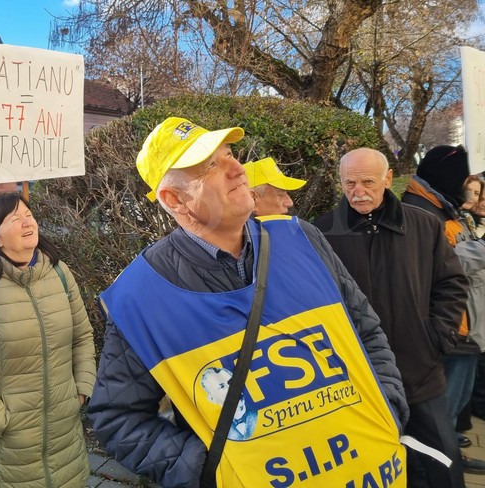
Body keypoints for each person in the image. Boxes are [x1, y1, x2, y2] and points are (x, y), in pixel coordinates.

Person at [88, 117, 408, 488]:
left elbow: (366, 332)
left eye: (229, 154)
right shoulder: (140, 296)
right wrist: (215, 470)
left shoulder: (301, 237)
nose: (237, 168)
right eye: (211, 165)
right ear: (175, 200)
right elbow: (119, 418)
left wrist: (387, 407)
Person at [314, 147, 469, 487]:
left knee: (440, 462)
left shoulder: (424, 224)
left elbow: (452, 284)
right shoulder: (321, 233)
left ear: (388, 179)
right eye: (349, 182)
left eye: (368, 181)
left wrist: (437, 338)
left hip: (420, 372)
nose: (358, 191)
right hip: (356, 380)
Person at [0, 192, 96, 488]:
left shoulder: (60, 274)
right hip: (10, 448)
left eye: (29, 215)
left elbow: (82, 336)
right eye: (15, 219)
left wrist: (81, 389)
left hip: (65, 435)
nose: (27, 223)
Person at [401, 145, 485, 475]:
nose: (469, 186)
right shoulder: (422, 212)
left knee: (455, 406)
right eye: (465, 178)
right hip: (453, 331)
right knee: (443, 411)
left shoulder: (440, 208)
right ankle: (437, 468)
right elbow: (449, 265)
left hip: (463, 329)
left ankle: (447, 457)